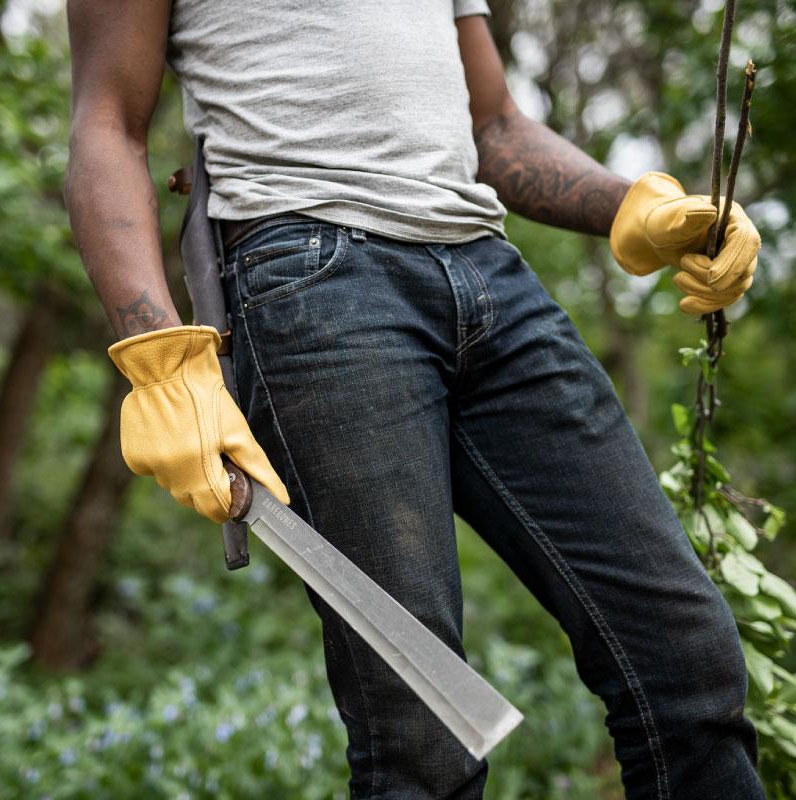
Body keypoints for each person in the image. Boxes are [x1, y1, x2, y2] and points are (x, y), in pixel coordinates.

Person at [64, 1, 764, 798]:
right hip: (315, 283)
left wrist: (640, 205)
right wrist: (157, 358)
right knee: (423, 731)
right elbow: (107, 124)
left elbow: (492, 126)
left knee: (688, 661)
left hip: (490, 274)